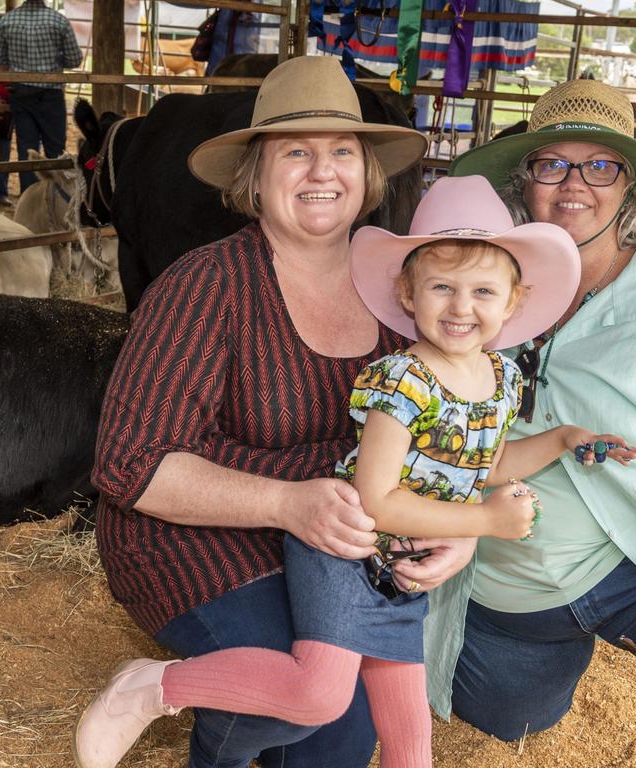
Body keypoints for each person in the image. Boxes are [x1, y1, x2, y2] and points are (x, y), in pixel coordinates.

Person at [74, 173, 636, 768]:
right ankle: (157, 686)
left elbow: (482, 461)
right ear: (408, 294)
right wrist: (485, 523)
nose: (461, 307)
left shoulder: (498, 378)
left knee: (408, 739)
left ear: (514, 301)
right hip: (346, 547)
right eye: (442, 287)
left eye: (483, 292)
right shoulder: (402, 380)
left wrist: (562, 439)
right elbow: (376, 498)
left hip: (395, 564)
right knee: (316, 695)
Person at [76, 55, 461, 768]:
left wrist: (458, 533)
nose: (323, 171)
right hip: (195, 534)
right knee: (318, 709)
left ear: (369, 172)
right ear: (255, 175)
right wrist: (287, 504)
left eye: (342, 150)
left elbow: (441, 437)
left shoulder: (403, 293)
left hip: (332, 539)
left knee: (353, 722)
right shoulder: (206, 284)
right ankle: (183, 719)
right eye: (296, 152)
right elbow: (128, 467)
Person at [429, 78, 636, 740]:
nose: (574, 184)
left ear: (630, 185)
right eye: (552, 164)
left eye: (600, 165)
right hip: (507, 583)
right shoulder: (482, 290)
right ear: (525, 181)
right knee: (503, 717)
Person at [0, 0, 82, 192]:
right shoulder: (58, 20)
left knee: (27, 149)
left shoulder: (8, 20)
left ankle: (30, 197)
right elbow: (74, 59)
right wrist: (57, 59)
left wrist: (14, 62)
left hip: (21, 90)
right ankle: (58, 196)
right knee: (56, 149)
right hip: (51, 92)